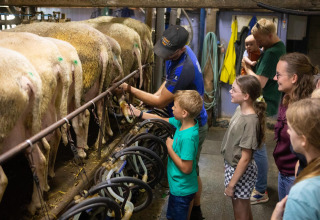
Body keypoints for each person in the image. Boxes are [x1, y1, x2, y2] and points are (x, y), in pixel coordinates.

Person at [118, 25, 208, 219]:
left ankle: (192, 212)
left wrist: (130, 89)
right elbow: (167, 84)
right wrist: (152, 96)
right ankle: (193, 207)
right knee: (192, 171)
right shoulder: (177, 55)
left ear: (181, 50)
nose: (164, 56)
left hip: (195, 124)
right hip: (182, 120)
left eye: (169, 53)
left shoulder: (185, 69)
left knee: (189, 170)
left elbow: (160, 101)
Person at [129, 90, 203, 220]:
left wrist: (169, 148)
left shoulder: (188, 137)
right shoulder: (182, 123)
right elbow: (162, 119)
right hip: (178, 187)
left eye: (175, 106)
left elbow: (187, 168)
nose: (172, 108)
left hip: (182, 190)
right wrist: (139, 113)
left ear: (184, 113)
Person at [242, 18, 286, 204]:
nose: (257, 44)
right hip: (266, 100)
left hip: (263, 101)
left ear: (270, 35)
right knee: (255, 145)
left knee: (257, 147)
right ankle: (258, 184)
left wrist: (245, 67)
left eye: (259, 40)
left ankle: (260, 191)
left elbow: (258, 84)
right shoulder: (276, 47)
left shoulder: (271, 53)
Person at [221, 75, 266, 220]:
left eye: (234, 89)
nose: (230, 91)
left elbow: (245, 158)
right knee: (244, 207)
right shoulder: (239, 110)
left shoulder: (251, 122)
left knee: (239, 213)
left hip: (241, 171)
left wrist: (231, 185)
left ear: (246, 96)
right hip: (233, 166)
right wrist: (227, 162)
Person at [272, 52, 315, 201]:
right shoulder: (286, 98)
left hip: (296, 175)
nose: (275, 78)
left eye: (278, 74)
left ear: (294, 78)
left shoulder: (307, 109)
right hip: (283, 171)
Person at [271, 98, 320, 220]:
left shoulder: (303, 194)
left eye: (291, 129)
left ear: (303, 140)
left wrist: (275, 217)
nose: (287, 132)